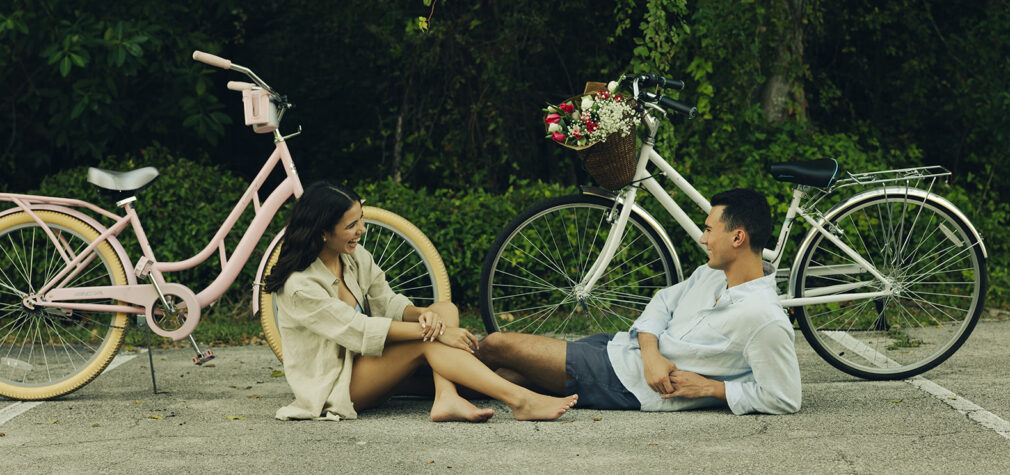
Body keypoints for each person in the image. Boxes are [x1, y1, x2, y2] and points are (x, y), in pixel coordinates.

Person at [265, 181, 577, 422]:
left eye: (360, 220)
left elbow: (387, 302)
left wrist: (427, 318)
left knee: (444, 310)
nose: (361, 230)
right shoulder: (299, 285)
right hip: (339, 383)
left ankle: (446, 394)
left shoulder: (353, 256)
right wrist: (437, 333)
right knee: (428, 343)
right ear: (322, 232)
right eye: (351, 225)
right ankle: (521, 402)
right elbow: (358, 328)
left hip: (373, 363)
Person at [476, 188, 801, 415]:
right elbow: (661, 303)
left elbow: (785, 397)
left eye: (708, 230)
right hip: (620, 349)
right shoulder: (711, 273)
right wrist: (651, 354)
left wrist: (712, 389)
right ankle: (433, 376)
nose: (702, 238)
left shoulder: (764, 317)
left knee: (497, 345)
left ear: (737, 237)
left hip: (624, 382)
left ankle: (433, 361)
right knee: (506, 375)